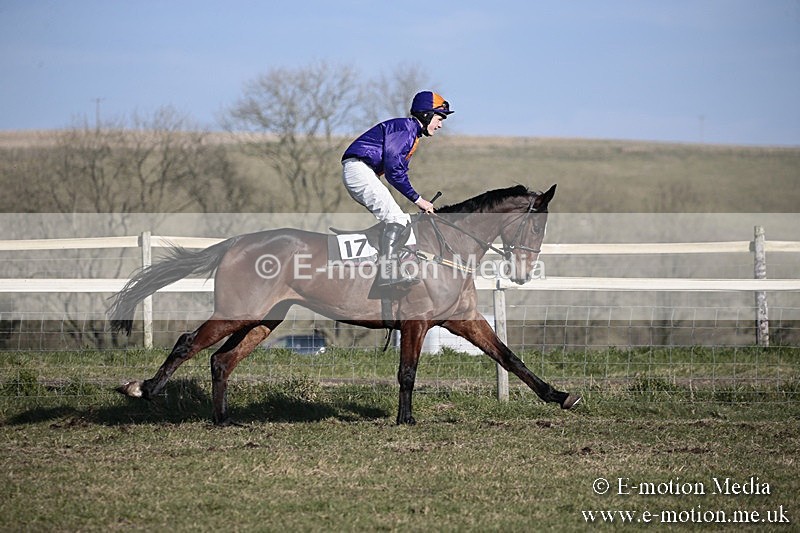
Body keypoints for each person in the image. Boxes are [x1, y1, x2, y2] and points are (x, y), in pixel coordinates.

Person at [341, 91, 454, 287]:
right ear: (426, 115)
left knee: (399, 219)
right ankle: (388, 273)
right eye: (438, 118)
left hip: (362, 170)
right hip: (359, 169)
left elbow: (397, 171)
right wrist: (419, 200)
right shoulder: (405, 129)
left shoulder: (410, 132)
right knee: (397, 219)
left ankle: (393, 267)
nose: (440, 124)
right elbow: (395, 172)